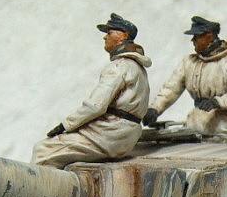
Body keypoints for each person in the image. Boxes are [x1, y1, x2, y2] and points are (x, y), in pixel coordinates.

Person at [32, 13, 151, 168]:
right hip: (125, 135)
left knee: (43, 150)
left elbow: (95, 106)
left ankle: (38, 184)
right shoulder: (138, 68)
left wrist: (65, 125)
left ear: (123, 36)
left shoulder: (119, 66)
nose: (105, 37)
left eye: (109, 33)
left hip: (110, 133)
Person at [143, 16, 227, 136]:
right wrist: (155, 108)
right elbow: (172, 88)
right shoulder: (189, 62)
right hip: (197, 123)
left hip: (224, 127)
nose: (193, 40)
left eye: (197, 36)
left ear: (209, 37)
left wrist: (218, 102)